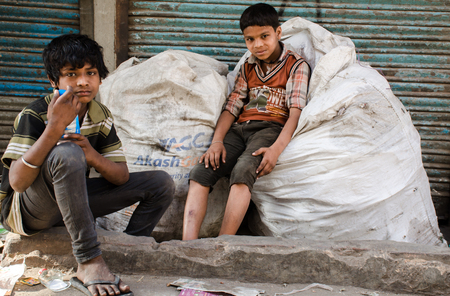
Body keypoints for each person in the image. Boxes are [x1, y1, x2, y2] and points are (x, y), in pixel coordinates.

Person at [0, 34, 175, 296]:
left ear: (100, 76)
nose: (83, 81)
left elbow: (120, 176)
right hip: (29, 211)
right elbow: (17, 182)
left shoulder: (99, 115)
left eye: (90, 72)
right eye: (71, 74)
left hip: (70, 201)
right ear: (53, 81)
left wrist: (92, 155)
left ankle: (128, 250)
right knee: (67, 153)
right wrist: (54, 129)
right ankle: (89, 260)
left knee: (161, 183)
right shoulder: (34, 113)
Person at [182, 3, 310, 240]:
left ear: (278, 33)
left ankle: (222, 243)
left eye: (264, 36)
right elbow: (231, 108)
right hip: (239, 129)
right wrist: (217, 141)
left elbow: (295, 113)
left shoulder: (296, 65)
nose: (258, 45)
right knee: (201, 172)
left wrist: (275, 149)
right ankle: (186, 245)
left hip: (270, 128)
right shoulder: (248, 66)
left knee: (242, 170)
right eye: (250, 40)